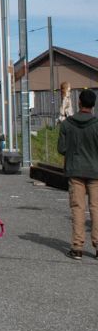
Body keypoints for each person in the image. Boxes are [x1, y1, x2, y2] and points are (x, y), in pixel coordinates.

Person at [57, 88, 98, 261]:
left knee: (77, 208)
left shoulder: (67, 124)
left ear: (79, 103)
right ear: (93, 105)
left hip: (75, 171)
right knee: (96, 208)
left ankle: (77, 247)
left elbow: (61, 149)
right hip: (95, 172)